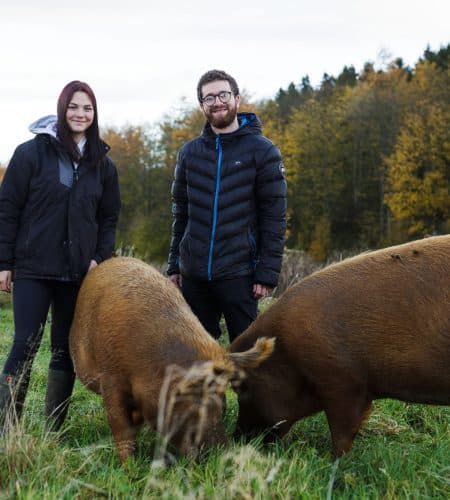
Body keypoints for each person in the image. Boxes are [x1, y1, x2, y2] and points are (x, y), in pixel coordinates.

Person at [0, 80, 121, 432]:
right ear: (61, 109)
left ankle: (54, 430)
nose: (80, 114)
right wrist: (4, 262)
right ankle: (8, 429)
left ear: (94, 114)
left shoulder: (103, 164)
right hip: (33, 268)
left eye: (87, 108)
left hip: (77, 273)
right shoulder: (30, 154)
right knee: (24, 344)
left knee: (64, 350)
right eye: (74, 107)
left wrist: (100, 256)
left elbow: (109, 217)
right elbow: (8, 209)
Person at [167, 69, 287, 342]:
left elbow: (274, 217)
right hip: (194, 275)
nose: (217, 102)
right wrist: (175, 266)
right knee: (197, 358)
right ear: (202, 106)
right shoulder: (189, 153)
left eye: (223, 94)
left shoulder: (264, 151)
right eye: (209, 98)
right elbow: (181, 214)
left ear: (236, 98)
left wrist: (266, 273)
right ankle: (211, 388)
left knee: (247, 357)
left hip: (240, 274)